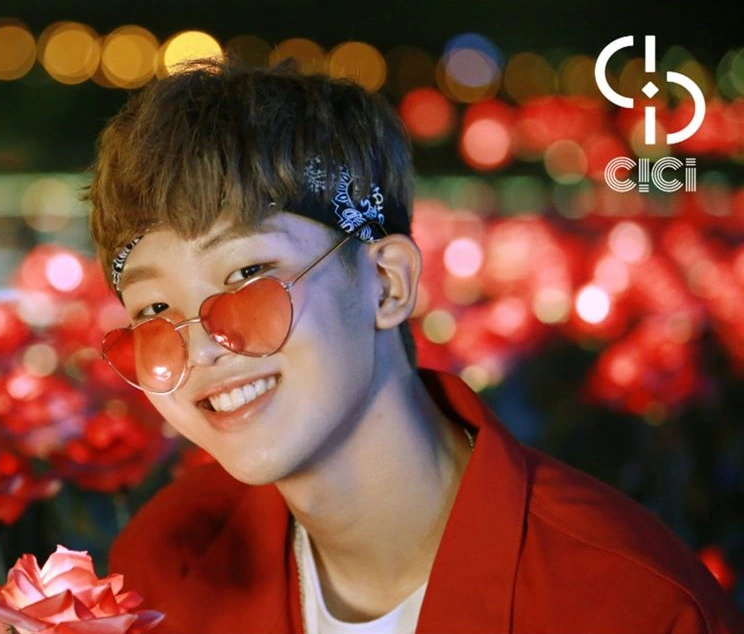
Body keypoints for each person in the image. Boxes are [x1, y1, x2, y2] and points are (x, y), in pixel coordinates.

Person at [86, 59, 743, 634]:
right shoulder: (162, 568)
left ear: (386, 283)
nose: (202, 347)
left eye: (248, 274)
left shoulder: (630, 604)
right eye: (153, 310)